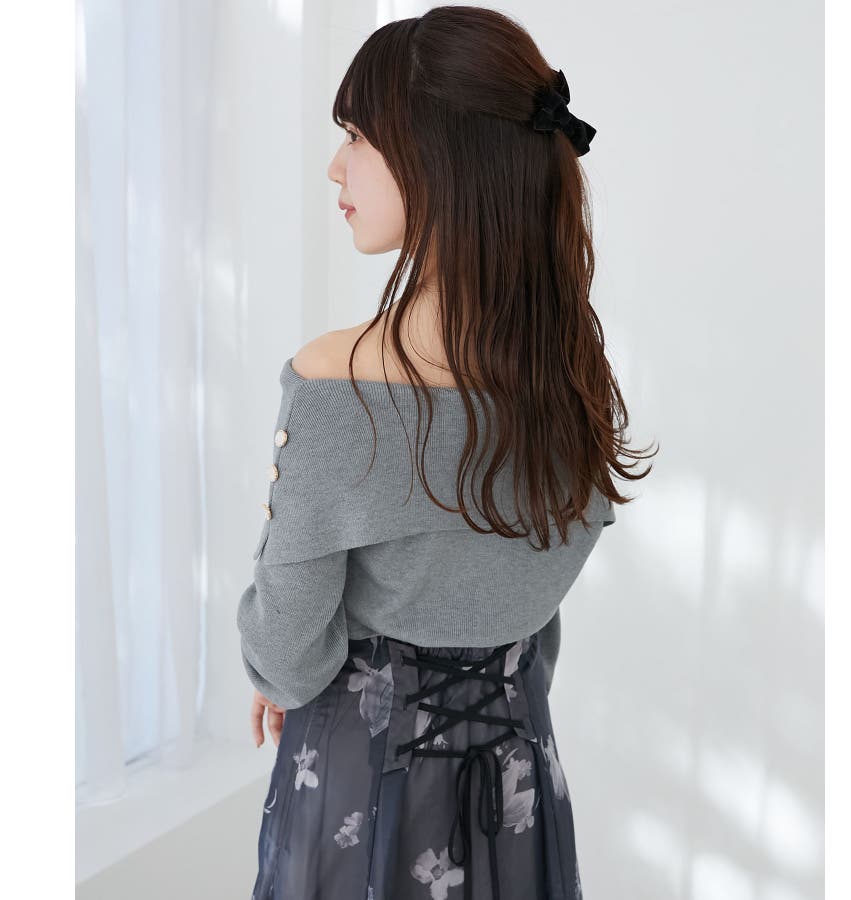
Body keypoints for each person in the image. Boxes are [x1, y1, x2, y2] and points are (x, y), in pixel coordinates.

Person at [236, 6, 656, 899]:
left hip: (359, 798)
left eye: (357, 135)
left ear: (435, 156)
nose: (336, 165)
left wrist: (278, 663)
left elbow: (288, 657)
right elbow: (532, 634)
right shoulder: (571, 380)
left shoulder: (338, 378)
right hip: (520, 793)